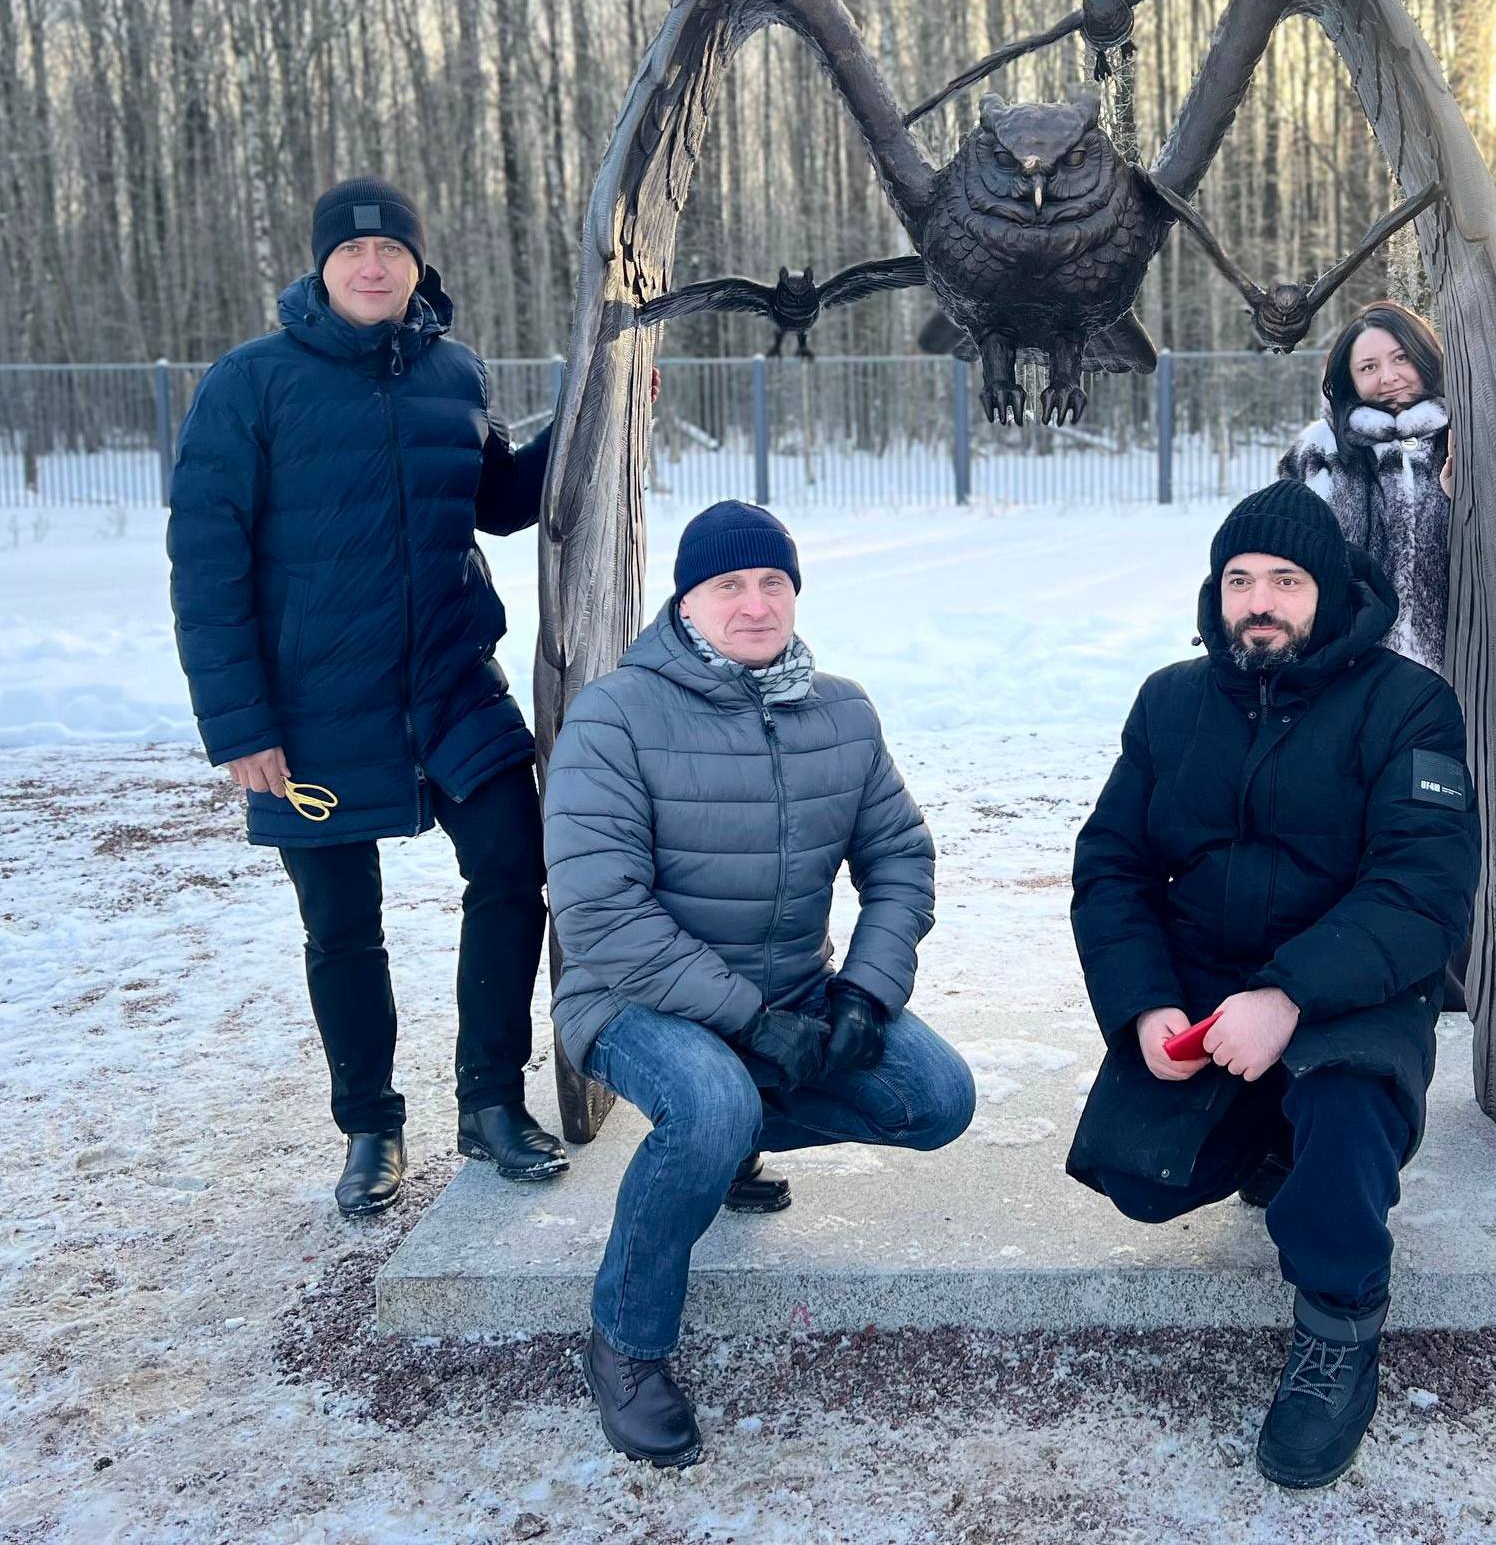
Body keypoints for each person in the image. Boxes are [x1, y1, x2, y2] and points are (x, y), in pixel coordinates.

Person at [1066, 480, 1480, 1489]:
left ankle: (1340, 1323)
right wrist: (1144, 1003)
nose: (1259, 602)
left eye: (1286, 581)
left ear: (1329, 591)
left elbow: (1421, 891)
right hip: (1207, 977)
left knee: (1342, 1101)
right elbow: (1112, 866)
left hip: (1354, 984)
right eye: (1240, 580)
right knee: (1139, 1178)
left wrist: (1288, 996)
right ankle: (1272, 1136)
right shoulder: (1170, 701)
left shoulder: (1408, 703)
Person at [545, 501, 975, 1468]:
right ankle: (626, 1341)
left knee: (937, 1098)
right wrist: (747, 1020)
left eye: (773, 582)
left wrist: (864, 993)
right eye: (728, 585)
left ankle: (724, 1140)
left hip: (794, 990)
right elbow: (601, 914)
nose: (754, 604)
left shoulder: (842, 712)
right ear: (685, 603)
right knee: (710, 1099)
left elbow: (901, 860)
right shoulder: (615, 716)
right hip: (631, 998)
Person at [167, 176, 564, 1218]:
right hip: (312, 714)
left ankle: (491, 1102)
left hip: (452, 690)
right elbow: (206, 567)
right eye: (352, 250)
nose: (373, 265)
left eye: (392, 249)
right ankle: (371, 1127)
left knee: (514, 867)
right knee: (343, 924)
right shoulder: (248, 384)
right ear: (322, 265)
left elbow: (496, 502)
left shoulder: (453, 372)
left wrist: (592, 422)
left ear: (418, 265)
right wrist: (241, 726)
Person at [1276, 301, 1452, 672]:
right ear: (1349, 378)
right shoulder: (1318, 450)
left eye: (1401, 357)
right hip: (1348, 675)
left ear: (1425, 355)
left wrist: (1463, 499)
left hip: (1460, 673)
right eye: (1368, 367)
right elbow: (1278, 559)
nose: (1388, 377)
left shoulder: (1465, 439)